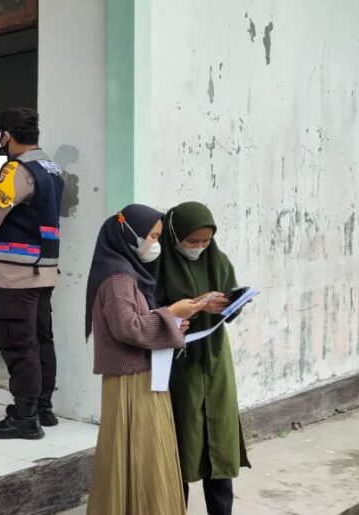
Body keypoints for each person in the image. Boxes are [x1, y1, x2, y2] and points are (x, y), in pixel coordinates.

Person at [85, 204, 206, 514]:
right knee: (141, 451)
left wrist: (170, 320)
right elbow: (128, 327)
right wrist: (172, 314)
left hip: (137, 374)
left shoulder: (122, 270)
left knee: (136, 452)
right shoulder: (118, 278)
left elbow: (137, 319)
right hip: (132, 379)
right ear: (131, 234)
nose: (155, 244)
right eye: (152, 236)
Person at [0, 108, 65, 438]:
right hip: (42, 268)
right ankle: (42, 408)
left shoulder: (17, 169)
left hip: (16, 275)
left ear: (7, 135)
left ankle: (23, 416)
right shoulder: (51, 167)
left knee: (16, 341)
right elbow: (28, 217)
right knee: (40, 339)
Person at [149, 202, 250, 514]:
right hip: (178, 365)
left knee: (220, 443)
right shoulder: (158, 263)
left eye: (205, 242)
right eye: (192, 241)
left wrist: (231, 304)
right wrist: (192, 307)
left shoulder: (218, 261)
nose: (199, 248)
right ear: (175, 234)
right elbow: (148, 312)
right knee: (181, 441)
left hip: (216, 362)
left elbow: (231, 306)